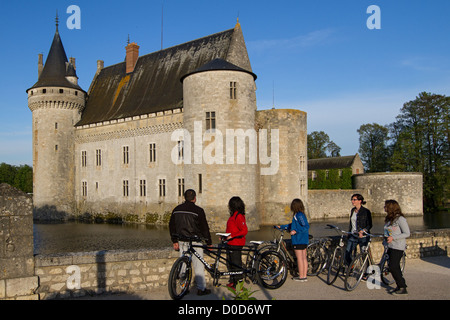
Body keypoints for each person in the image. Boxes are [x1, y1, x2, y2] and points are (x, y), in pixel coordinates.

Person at [169, 189, 212, 296]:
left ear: (184, 197)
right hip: (195, 241)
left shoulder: (176, 209)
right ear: (195, 198)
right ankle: (201, 289)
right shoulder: (198, 211)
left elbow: (171, 225)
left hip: (182, 240)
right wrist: (209, 242)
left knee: (183, 265)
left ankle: (183, 287)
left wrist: (174, 240)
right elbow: (204, 228)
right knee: (198, 265)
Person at [278, 198, 309, 282]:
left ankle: (301, 277)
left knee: (300, 258)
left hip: (299, 239)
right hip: (303, 239)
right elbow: (293, 225)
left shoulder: (298, 215)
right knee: (303, 258)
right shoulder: (300, 215)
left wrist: (295, 231)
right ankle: (304, 276)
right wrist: (282, 226)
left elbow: (305, 226)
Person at [383, 199, 410, 295]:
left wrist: (393, 237)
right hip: (390, 246)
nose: (384, 208)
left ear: (390, 207)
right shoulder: (389, 219)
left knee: (393, 267)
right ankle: (399, 286)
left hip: (398, 246)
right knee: (393, 267)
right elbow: (387, 232)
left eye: (385, 206)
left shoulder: (400, 219)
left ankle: (402, 287)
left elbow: (407, 233)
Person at [225, 196, 248, 288]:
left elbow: (244, 230)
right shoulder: (233, 215)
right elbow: (232, 229)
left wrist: (232, 236)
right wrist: (224, 237)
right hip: (230, 243)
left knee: (236, 264)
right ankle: (233, 281)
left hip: (236, 243)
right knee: (231, 263)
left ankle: (239, 285)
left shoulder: (239, 216)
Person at [345, 194, 373, 266]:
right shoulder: (352, 210)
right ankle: (350, 267)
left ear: (360, 201)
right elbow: (352, 223)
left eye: (354, 199)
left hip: (362, 236)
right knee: (347, 253)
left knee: (363, 255)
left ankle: (366, 272)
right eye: (352, 199)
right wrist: (349, 232)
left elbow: (370, 225)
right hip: (353, 235)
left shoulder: (366, 211)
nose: (352, 201)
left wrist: (363, 231)